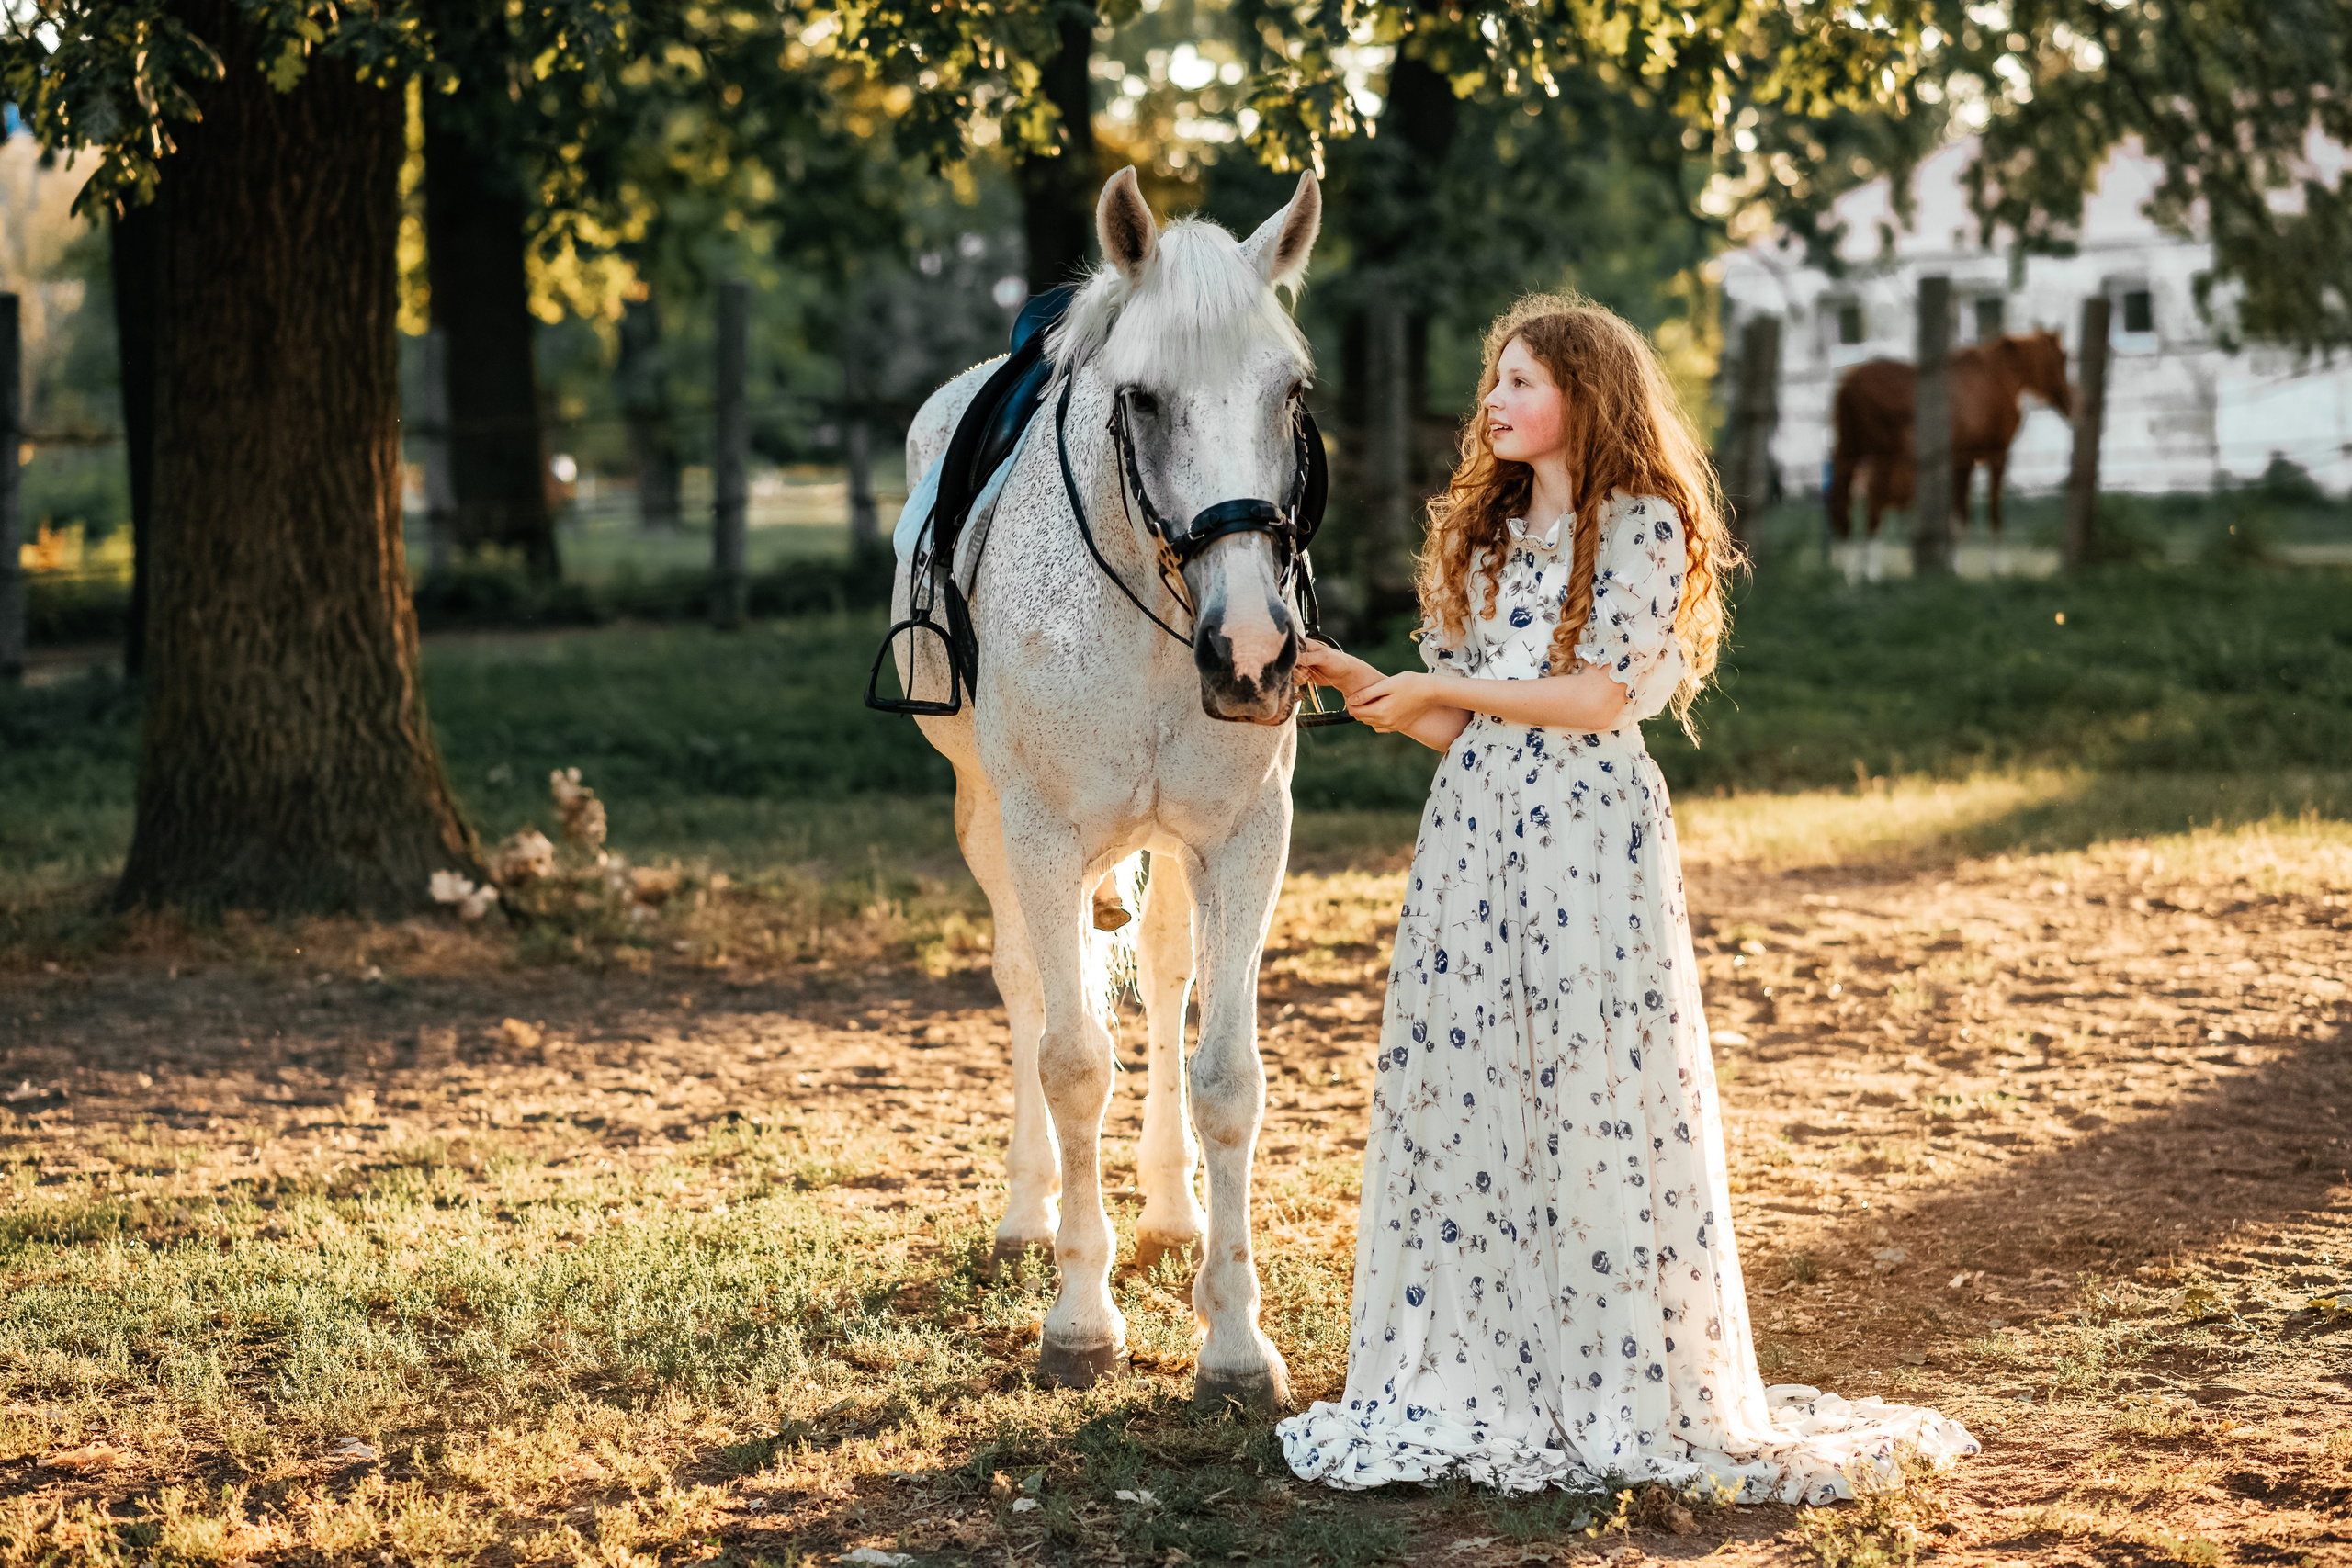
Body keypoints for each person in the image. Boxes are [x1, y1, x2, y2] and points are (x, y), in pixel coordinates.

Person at [1275, 295, 1978, 1501]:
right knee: (1484, 1087)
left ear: (1584, 398)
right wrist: (1374, 689)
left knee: (1595, 1087)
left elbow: (1596, 700)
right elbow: (1470, 718)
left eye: (1521, 382)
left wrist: (1456, 695)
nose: (1493, 403)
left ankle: (1616, 1375)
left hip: (1589, 844)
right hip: (1476, 840)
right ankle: (1492, 1367)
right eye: (1492, 382)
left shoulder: (1640, 524)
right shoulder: (1490, 536)